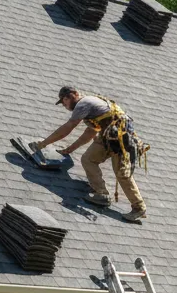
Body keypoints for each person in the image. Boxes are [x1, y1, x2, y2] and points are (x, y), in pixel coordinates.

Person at [34, 85, 147, 223]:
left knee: (121, 173)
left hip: (120, 137)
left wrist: (44, 143)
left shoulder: (83, 104)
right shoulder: (90, 108)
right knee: (88, 159)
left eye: (64, 101)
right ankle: (102, 194)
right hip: (107, 136)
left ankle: (139, 207)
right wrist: (69, 149)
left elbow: (68, 127)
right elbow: (90, 132)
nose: (64, 105)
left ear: (73, 95)